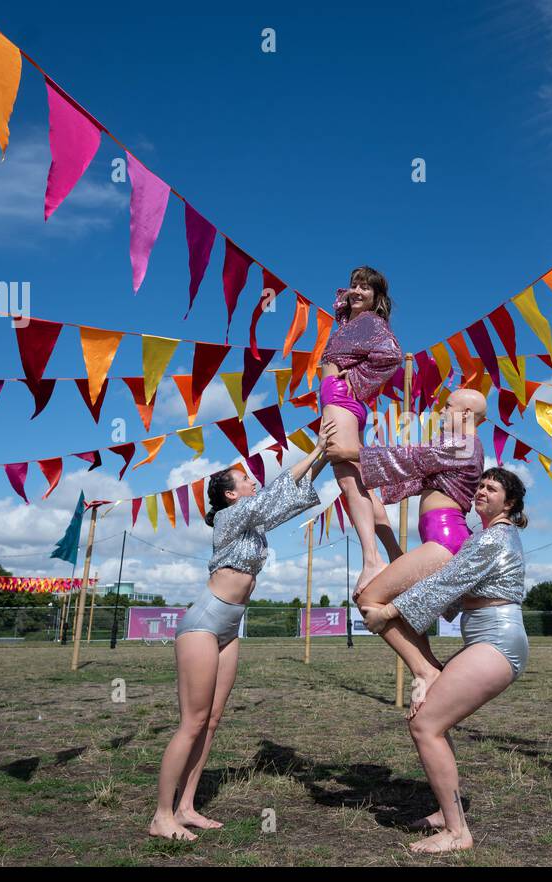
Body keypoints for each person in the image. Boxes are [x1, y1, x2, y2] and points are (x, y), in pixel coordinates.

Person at [149, 435, 331, 841]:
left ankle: (186, 807)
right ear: (231, 494)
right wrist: (316, 449)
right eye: (246, 479)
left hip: (230, 627)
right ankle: (161, 816)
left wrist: (326, 459)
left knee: (211, 721)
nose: (253, 481)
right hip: (203, 622)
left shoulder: (253, 519)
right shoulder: (230, 518)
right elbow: (276, 494)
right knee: (192, 722)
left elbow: (290, 497)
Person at [360, 467, 528, 854]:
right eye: (481, 485)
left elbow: (448, 580)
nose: (482, 490)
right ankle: (444, 811)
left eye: (492, 488)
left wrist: (388, 611)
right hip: (485, 641)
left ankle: (457, 833)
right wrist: (389, 544)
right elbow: (448, 587)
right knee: (433, 720)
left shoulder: (497, 537)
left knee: (425, 724)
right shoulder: (481, 537)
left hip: (499, 643)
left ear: (511, 502)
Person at [323, 388, 487, 716]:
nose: (440, 413)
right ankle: (430, 670)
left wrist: (350, 450)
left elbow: (409, 457)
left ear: (467, 415)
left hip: (445, 540)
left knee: (369, 598)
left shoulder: (464, 445)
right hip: (440, 539)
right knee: (406, 609)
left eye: (448, 407)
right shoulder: (455, 450)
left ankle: (426, 671)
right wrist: (359, 468)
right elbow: (405, 472)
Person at [318, 266, 404, 598]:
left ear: (377, 297)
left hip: (340, 398)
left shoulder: (370, 323)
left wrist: (352, 379)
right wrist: (350, 298)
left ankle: (371, 560)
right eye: (354, 285)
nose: (356, 290)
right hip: (339, 399)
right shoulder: (350, 323)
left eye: (365, 288)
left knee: (347, 480)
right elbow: (341, 301)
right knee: (361, 482)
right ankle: (394, 554)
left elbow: (392, 355)